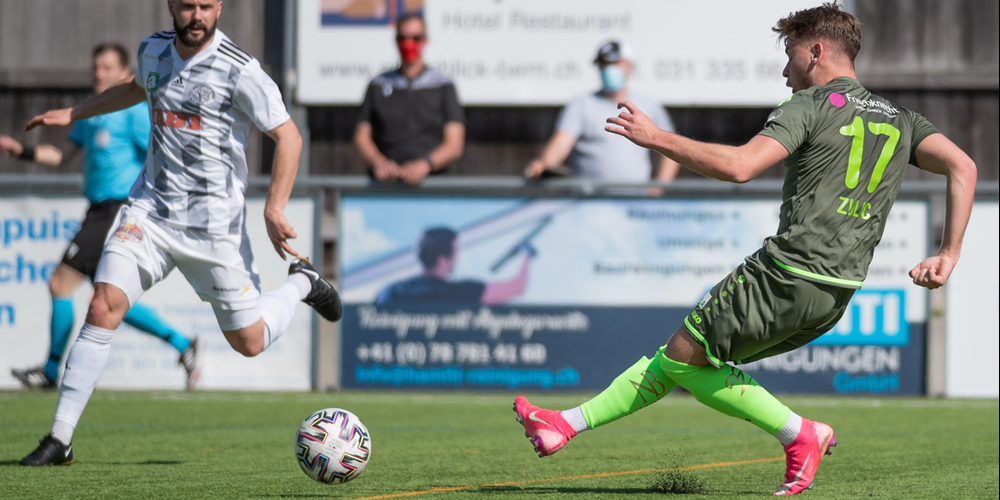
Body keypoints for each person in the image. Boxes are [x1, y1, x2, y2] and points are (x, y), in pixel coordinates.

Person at [513, 4, 976, 496]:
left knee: (684, 360)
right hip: (836, 294)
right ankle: (563, 424)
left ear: (816, 51)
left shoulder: (811, 105)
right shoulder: (903, 119)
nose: (785, 71)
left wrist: (657, 138)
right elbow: (963, 167)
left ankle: (800, 434)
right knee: (685, 355)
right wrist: (948, 254)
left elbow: (740, 166)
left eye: (790, 54)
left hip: (785, 273)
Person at [19, 0, 342, 467]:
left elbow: (289, 137)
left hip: (214, 229)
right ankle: (60, 438)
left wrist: (274, 207)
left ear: (220, 7)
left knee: (250, 342)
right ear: (171, 5)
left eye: (206, 6)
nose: (197, 15)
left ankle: (302, 283)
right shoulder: (153, 51)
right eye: (188, 5)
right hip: (149, 213)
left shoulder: (240, 70)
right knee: (102, 305)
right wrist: (76, 112)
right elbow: (135, 87)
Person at [3, 43, 204, 392]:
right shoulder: (93, 113)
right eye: (96, 67)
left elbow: (161, 152)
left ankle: (50, 371)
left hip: (117, 209)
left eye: (107, 68)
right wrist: (21, 151)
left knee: (62, 283)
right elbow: (62, 156)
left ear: (125, 73)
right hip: (98, 210)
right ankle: (182, 344)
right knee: (108, 298)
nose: (98, 74)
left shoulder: (133, 112)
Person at [524, 41, 681, 188]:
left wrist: (659, 189)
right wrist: (543, 164)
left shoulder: (648, 104)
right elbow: (561, 145)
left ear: (629, 66)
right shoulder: (581, 105)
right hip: (590, 201)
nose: (609, 69)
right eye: (604, 64)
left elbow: (670, 145)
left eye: (614, 63)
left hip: (636, 201)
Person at [354, 13, 465, 185]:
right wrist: (379, 162)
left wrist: (425, 164)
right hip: (385, 186)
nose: (408, 44)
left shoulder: (443, 85)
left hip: (433, 185)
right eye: (403, 38)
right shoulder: (378, 84)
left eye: (415, 38)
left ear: (425, 41)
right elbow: (362, 136)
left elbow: (455, 144)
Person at [375, 227, 532, 305]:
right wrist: (527, 255)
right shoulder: (459, 292)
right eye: (456, 252)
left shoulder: (392, 292)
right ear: (443, 261)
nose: (458, 257)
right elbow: (517, 287)